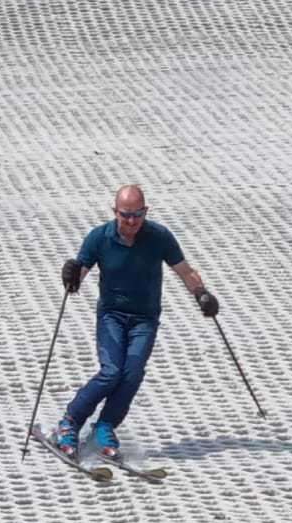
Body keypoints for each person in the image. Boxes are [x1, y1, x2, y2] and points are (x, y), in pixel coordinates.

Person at [54, 184, 218, 459]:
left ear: (146, 211)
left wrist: (202, 294)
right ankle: (70, 421)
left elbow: (185, 271)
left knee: (133, 372)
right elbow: (77, 280)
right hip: (112, 316)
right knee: (111, 372)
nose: (132, 221)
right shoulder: (99, 238)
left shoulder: (159, 237)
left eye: (138, 215)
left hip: (145, 318)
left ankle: (105, 425)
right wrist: (70, 275)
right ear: (115, 212)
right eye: (125, 215)